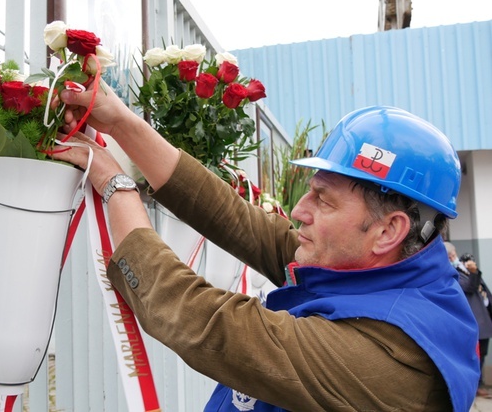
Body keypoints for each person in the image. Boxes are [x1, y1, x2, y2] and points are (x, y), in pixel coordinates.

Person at [53, 84, 479, 411]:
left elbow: (205, 323)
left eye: (324, 199)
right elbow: (237, 220)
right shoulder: (374, 272)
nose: (299, 210)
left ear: (389, 231)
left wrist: (116, 185)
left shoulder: (392, 352)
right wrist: (123, 123)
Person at [445, 242, 492, 397]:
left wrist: (474, 271)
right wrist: (473, 273)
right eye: (449, 256)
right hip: (473, 322)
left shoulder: (464, 268)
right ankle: (474, 387)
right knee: (473, 356)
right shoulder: (451, 273)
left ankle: (478, 385)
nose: (453, 258)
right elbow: (470, 288)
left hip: (484, 319)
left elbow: (483, 289)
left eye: (453, 254)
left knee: (483, 354)